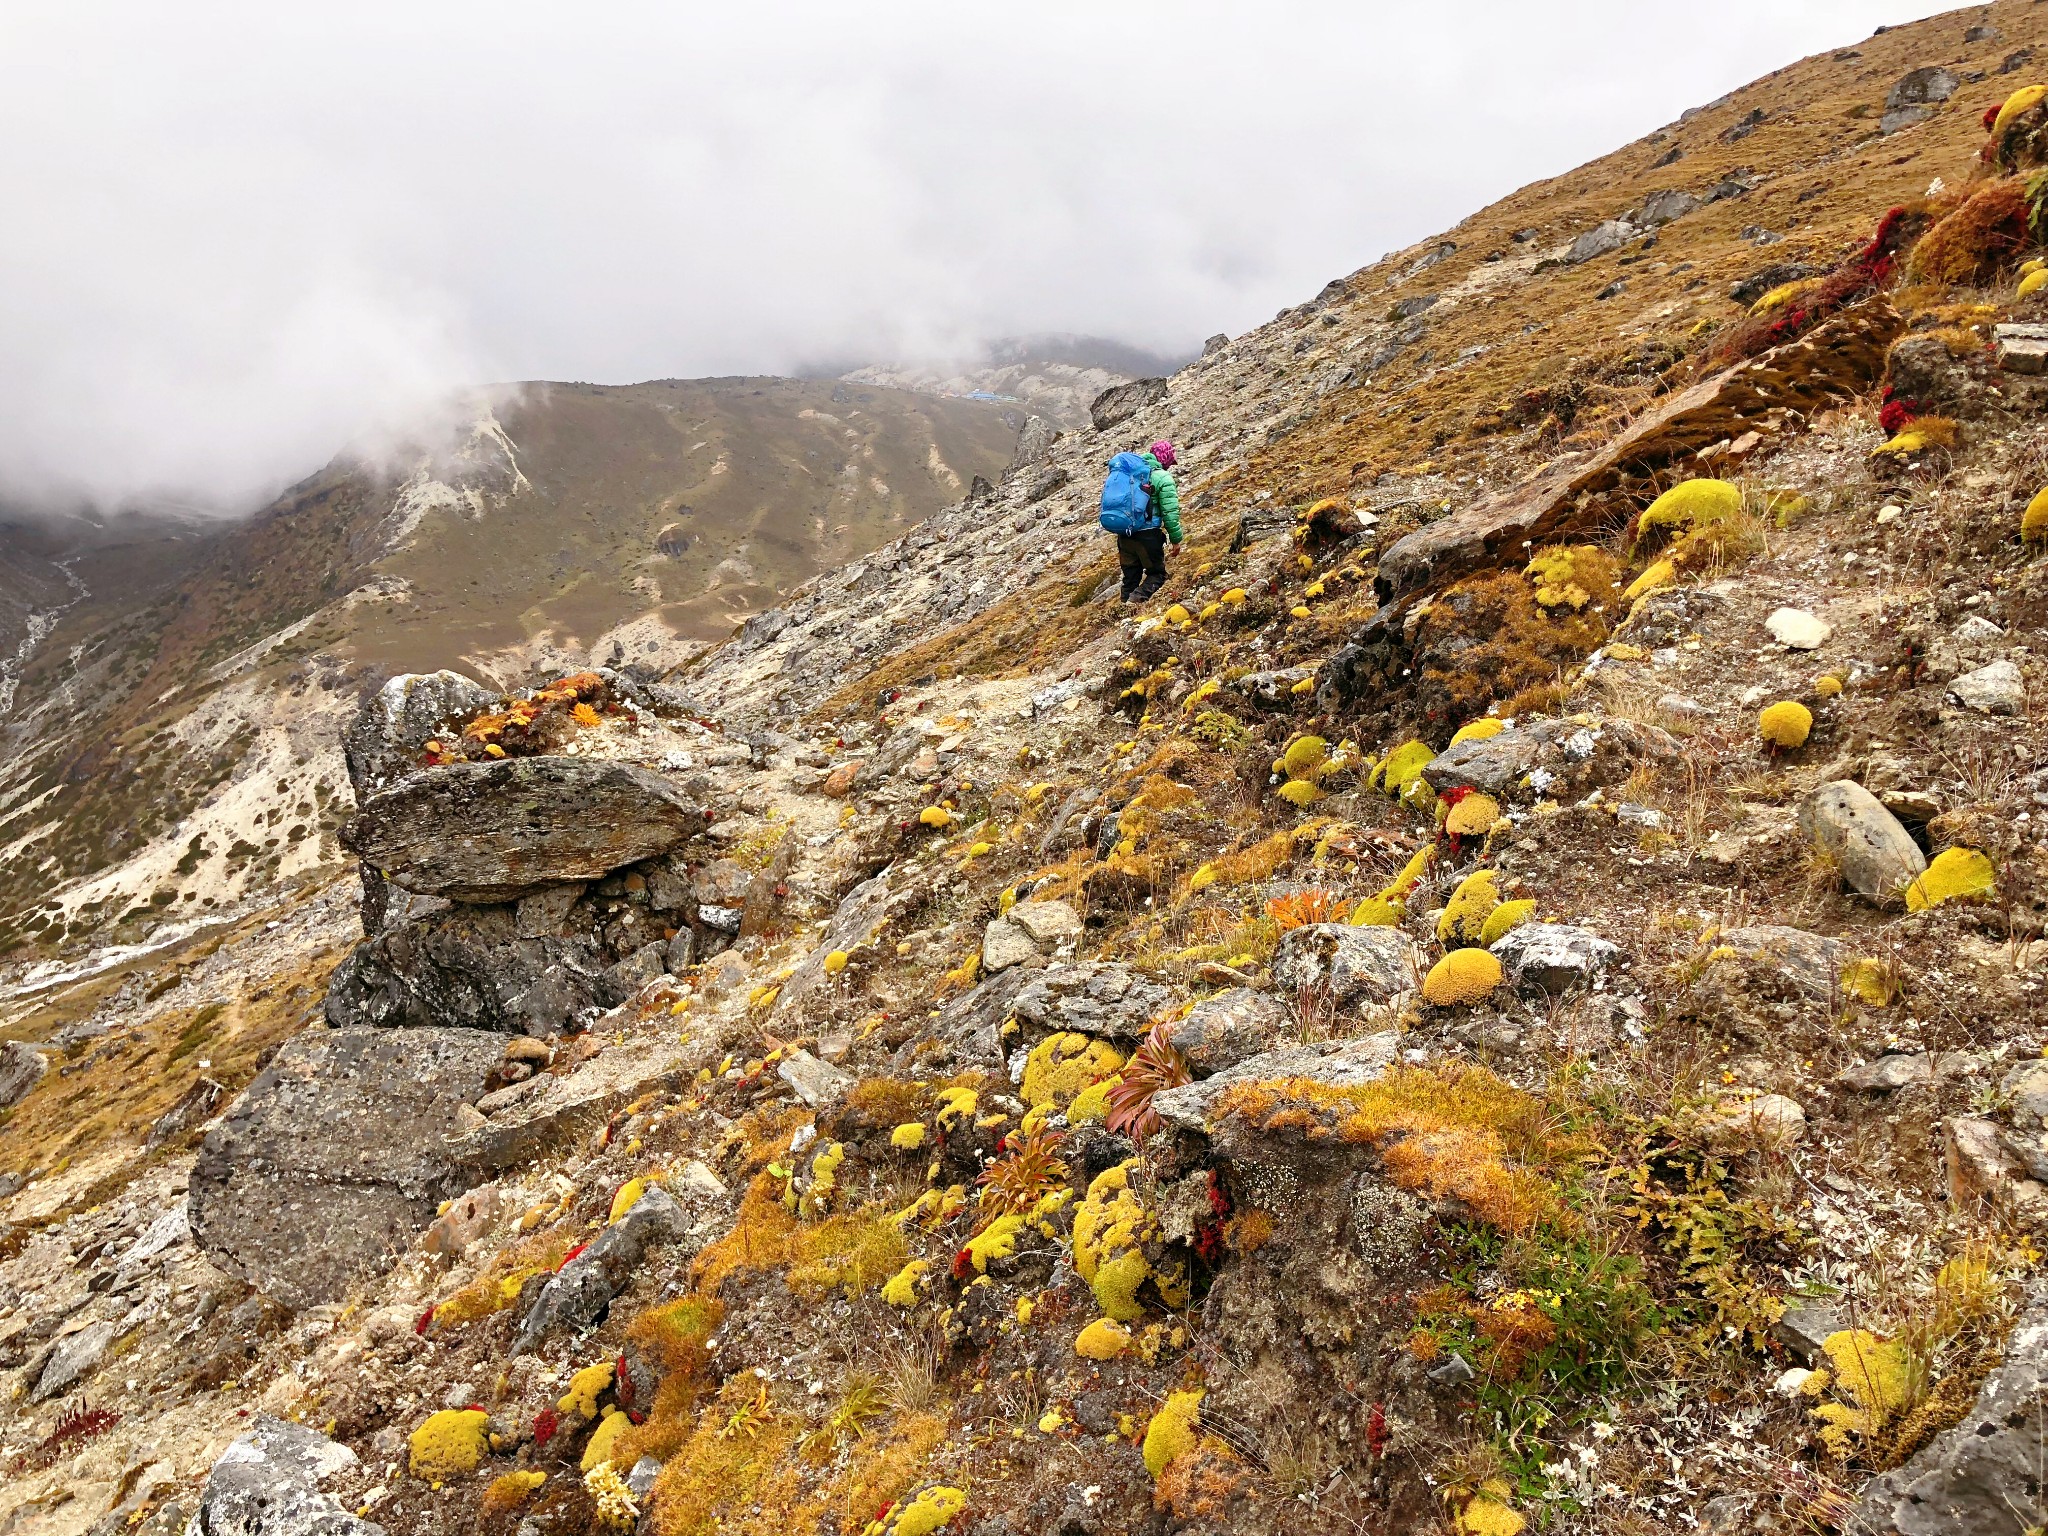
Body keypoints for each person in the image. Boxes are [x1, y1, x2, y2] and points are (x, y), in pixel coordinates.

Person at [1098, 439, 1185, 603]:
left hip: (1125, 534)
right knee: (1157, 574)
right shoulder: (1162, 477)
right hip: (1148, 536)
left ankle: (1123, 613)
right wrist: (1176, 540)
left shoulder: (1132, 474)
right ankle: (1135, 601)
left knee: (1130, 580)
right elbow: (1170, 512)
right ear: (1165, 459)